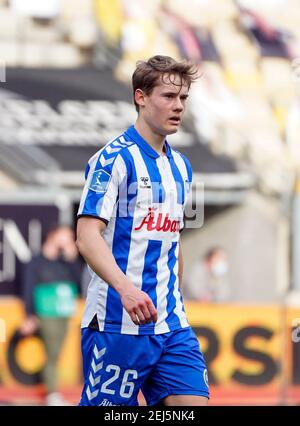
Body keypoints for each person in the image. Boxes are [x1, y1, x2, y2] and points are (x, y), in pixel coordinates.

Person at [76, 55, 209, 406]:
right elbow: (87, 235)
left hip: (172, 326)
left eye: (183, 98)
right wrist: (126, 290)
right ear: (141, 97)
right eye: (168, 96)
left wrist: (174, 297)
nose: (178, 106)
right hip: (118, 326)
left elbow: (174, 240)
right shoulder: (112, 159)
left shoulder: (182, 166)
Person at [20, 225, 82, 406]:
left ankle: (53, 393)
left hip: (63, 312)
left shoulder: (65, 262)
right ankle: (52, 395)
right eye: (66, 235)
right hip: (46, 313)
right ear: (53, 235)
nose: (69, 239)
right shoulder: (37, 262)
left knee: (57, 353)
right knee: (52, 354)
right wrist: (29, 315)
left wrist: (72, 259)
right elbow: (28, 288)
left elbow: (79, 284)